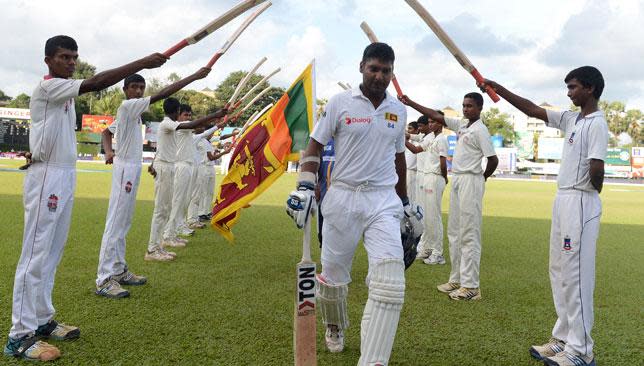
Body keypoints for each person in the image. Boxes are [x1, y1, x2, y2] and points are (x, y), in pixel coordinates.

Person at [4, 35, 167, 361]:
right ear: (48, 60)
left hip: (63, 175)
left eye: (74, 58)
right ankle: (19, 335)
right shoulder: (48, 87)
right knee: (35, 253)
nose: (71, 62)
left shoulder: (63, 91)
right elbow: (96, 83)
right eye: (64, 57)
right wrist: (142, 63)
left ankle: (42, 319)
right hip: (47, 175)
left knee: (52, 252)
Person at [286, 42, 422, 365]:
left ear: (392, 73)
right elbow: (314, 147)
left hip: (382, 201)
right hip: (343, 197)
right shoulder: (340, 103)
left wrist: (403, 202)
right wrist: (306, 186)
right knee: (332, 280)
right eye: (373, 68)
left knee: (390, 282)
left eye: (386, 70)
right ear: (361, 66)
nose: (379, 75)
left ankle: (373, 359)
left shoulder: (398, 110)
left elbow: (399, 158)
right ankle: (335, 326)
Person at [480, 67, 607, 366]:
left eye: (573, 87)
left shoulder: (597, 124)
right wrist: (499, 88)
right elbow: (533, 109)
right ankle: (563, 338)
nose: (568, 93)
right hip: (564, 199)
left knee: (576, 277)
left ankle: (582, 351)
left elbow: (597, 168)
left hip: (580, 201)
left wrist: (585, 196)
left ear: (589, 88)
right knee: (559, 272)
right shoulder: (571, 118)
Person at [95, 68, 211, 299]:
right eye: (134, 88)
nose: (138, 91)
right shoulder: (127, 106)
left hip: (132, 168)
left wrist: (108, 151)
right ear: (125, 90)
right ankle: (104, 279)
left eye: (141, 87)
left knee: (124, 222)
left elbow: (106, 132)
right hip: (125, 169)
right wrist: (192, 77)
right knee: (116, 222)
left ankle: (118, 269)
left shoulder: (132, 114)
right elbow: (162, 94)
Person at [399, 92, 498, 301]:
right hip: (458, 179)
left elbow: (493, 160)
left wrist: (482, 178)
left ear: (479, 108)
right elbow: (436, 115)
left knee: (469, 233)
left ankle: (471, 286)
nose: (465, 109)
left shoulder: (480, 130)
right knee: (454, 232)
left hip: (471, 179)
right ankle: (457, 279)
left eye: (470, 106)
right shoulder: (462, 125)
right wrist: (411, 102)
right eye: (463, 105)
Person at [145, 98, 227, 261]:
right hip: (175, 167)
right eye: (184, 114)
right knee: (163, 209)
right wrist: (216, 115)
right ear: (176, 112)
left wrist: (218, 122)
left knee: (170, 206)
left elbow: (201, 130)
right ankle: (155, 247)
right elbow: (195, 126)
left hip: (173, 167)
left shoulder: (176, 126)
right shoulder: (170, 125)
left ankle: (162, 242)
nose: (188, 118)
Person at [406, 114, 449, 264]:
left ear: (441, 123)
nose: (430, 124)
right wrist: (403, 138)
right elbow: (416, 149)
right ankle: (426, 248)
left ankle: (438, 253)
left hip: (435, 176)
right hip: (426, 176)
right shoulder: (431, 137)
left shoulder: (442, 139)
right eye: (429, 122)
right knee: (425, 215)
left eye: (433, 122)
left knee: (434, 216)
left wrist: (445, 178)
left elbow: (443, 164)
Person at [405, 121, 419, 203]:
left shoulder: (419, 142)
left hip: (413, 173)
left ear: (417, 130)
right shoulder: (408, 141)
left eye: (410, 128)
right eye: (408, 128)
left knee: (411, 197)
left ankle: (412, 215)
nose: (408, 130)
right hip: (405, 171)